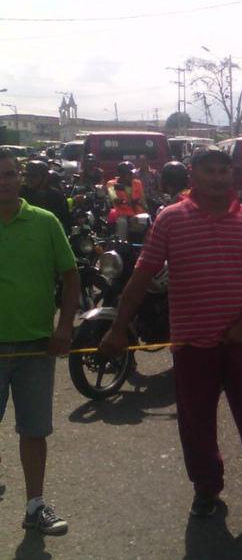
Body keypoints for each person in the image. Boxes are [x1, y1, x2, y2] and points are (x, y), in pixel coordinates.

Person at [99, 146, 242, 518]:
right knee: (197, 425)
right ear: (193, 175)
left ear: (232, 175)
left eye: (222, 170)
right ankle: (207, 491)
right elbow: (142, 275)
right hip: (191, 343)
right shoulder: (170, 219)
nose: (216, 177)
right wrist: (118, 329)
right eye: (208, 171)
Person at [0, 148, 78, 535]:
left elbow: (71, 275)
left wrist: (64, 327)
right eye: (0, 176)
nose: (6, 182)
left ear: (21, 178)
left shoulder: (45, 222)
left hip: (36, 347)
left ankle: (35, 506)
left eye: (11, 174)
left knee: (33, 431)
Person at [20, 159, 71, 233]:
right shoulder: (20, 193)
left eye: (34, 176)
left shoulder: (55, 195)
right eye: (27, 176)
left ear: (46, 177)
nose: (29, 179)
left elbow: (64, 221)